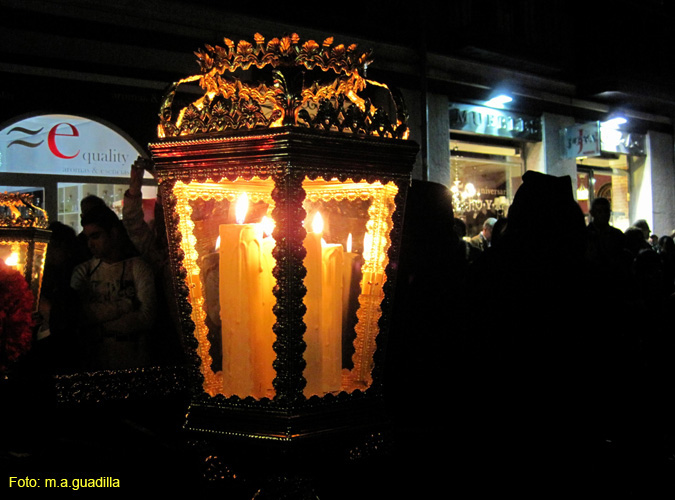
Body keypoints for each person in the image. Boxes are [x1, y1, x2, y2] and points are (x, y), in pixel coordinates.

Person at [71, 205, 157, 371]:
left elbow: (147, 317)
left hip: (135, 366)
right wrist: (126, 306)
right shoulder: (83, 272)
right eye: (87, 238)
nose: (90, 244)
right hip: (95, 366)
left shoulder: (138, 268)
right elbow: (77, 315)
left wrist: (99, 326)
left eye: (96, 236)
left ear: (114, 233)